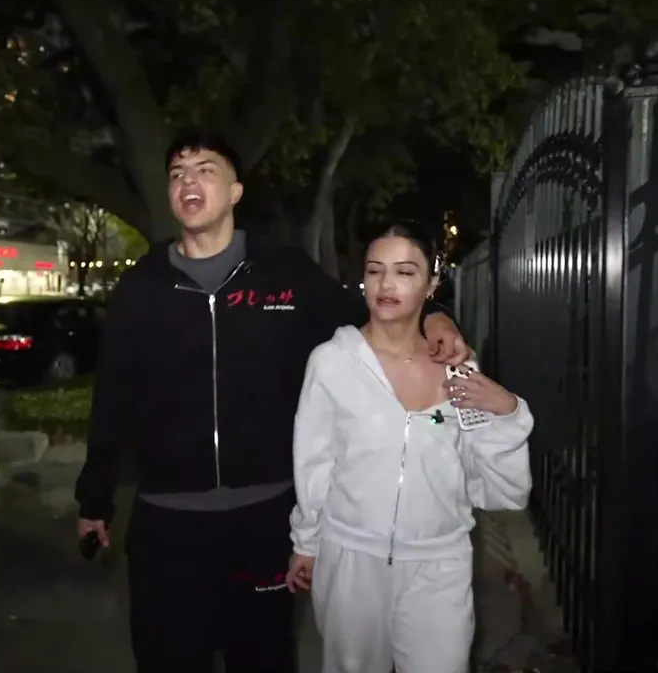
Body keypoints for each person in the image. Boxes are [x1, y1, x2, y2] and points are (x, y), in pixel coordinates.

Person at [73, 128, 470, 673]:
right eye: (177, 174)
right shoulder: (141, 289)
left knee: (262, 658)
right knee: (167, 658)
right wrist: (94, 498)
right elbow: (112, 395)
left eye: (205, 170)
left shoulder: (286, 274)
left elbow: (371, 317)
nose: (189, 181)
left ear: (235, 191)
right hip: (168, 521)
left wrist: (436, 315)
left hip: (264, 519)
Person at [286, 221, 534, 673]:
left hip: (440, 564)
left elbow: (502, 489)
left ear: (431, 283)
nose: (386, 284)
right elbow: (313, 463)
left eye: (404, 272)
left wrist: (508, 411)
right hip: (351, 560)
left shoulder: (458, 369)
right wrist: (306, 541)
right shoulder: (332, 362)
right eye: (375, 270)